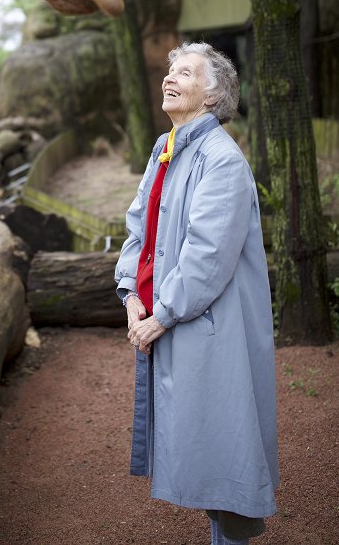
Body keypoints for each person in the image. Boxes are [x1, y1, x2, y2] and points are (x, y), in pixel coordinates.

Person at [115, 42, 279, 545]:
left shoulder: (222, 160)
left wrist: (160, 315)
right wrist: (130, 294)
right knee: (203, 444)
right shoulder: (166, 148)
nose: (171, 79)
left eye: (185, 73)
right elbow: (137, 227)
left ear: (212, 96)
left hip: (211, 328)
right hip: (174, 321)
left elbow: (208, 255)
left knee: (223, 446)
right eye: (171, 72)